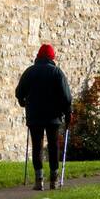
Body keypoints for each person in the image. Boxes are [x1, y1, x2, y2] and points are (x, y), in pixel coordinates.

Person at [15, 43, 73, 190]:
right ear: (52, 57)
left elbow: (19, 92)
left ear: (38, 56)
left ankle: (39, 179)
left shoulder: (30, 72)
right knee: (53, 146)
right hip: (53, 117)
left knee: (37, 146)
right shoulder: (57, 73)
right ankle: (54, 179)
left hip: (34, 116)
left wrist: (23, 102)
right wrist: (68, 113)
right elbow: (66, 97)